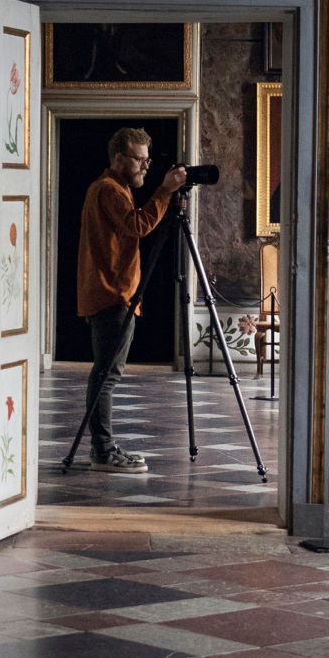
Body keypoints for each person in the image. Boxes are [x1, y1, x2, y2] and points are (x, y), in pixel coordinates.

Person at [77, 128, 185, 472]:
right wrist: (165, 191)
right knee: (106, 375)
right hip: (113, 295)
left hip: (112, 293)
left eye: (147, 160)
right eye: (139, 160)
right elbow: (137, 225)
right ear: (119, 159)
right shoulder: (109, 189)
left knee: (105, 374)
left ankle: (103, 448)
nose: (146, 166)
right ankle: (104, 452)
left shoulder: (111, 189)